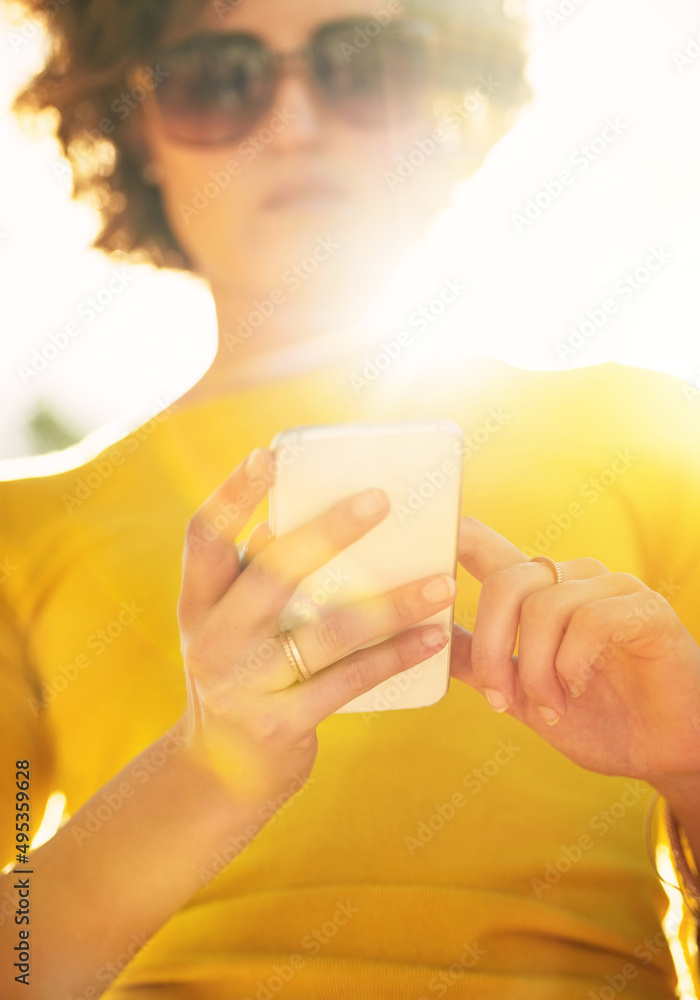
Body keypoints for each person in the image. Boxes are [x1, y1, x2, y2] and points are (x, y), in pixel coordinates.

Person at [0, 0, 699, 997]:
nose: (294, 124)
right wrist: (208, 766)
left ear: (443, 107)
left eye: (361, 66)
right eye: (218, 78)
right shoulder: (17, 532)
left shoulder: (656, 438)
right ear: (133, 130)